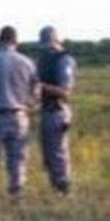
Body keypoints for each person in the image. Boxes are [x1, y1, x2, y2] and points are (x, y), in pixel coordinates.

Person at [0, 26, 40, 200]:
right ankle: (17, 193)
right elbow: (35, 91)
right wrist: (31, 105)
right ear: (16, 41)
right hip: (19, 114)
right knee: (18, 158)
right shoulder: (28, 62)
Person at [36, 26, 76, 195]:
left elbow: (65, 92)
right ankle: (56, 191)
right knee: (49, 156)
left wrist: (40, 87)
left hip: (57, 111)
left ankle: (64, 191)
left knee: (58, 155)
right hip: (46, 111)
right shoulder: (43, 60)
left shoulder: (64, 60)